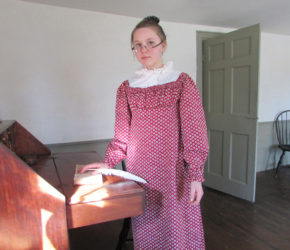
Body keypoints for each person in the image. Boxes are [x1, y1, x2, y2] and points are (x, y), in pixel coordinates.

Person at [80, 16, 209, 249]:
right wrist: (106, 162)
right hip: (142, 175)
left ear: (163, 45)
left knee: (177, 231)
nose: (144, 49)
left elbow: (194, 130)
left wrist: (196, 176)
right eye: (138, 45)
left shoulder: (181, 82)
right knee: (147, 228)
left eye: (150, 42)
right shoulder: (127, 88)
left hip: (174, 172)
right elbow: (121, 138)